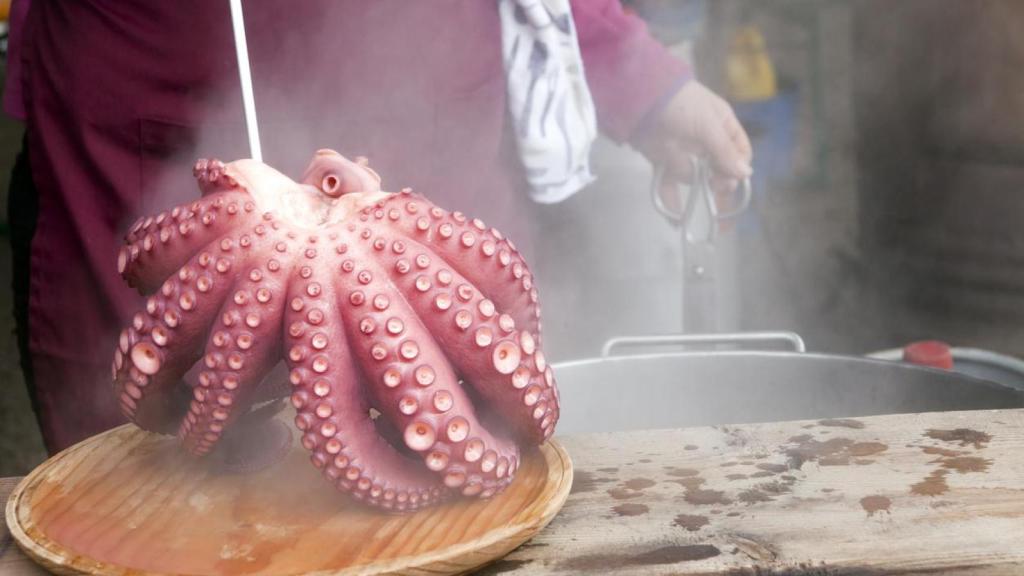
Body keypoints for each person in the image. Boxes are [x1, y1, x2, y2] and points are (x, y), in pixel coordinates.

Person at [5, 0, 751, 453]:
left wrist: (622, 67)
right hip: (160, 101)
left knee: (454, 486)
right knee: (161, 498)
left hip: (439, 104)